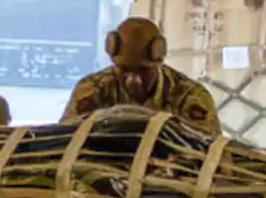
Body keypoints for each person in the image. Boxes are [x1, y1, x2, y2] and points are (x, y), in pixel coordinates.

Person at [62, 17, 221, 133]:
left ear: (159, 62)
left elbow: (212, 156)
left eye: (144, 71)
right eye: (124, 70)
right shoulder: (93, 90)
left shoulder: (188, 96)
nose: (134, 81)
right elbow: (64, 142)